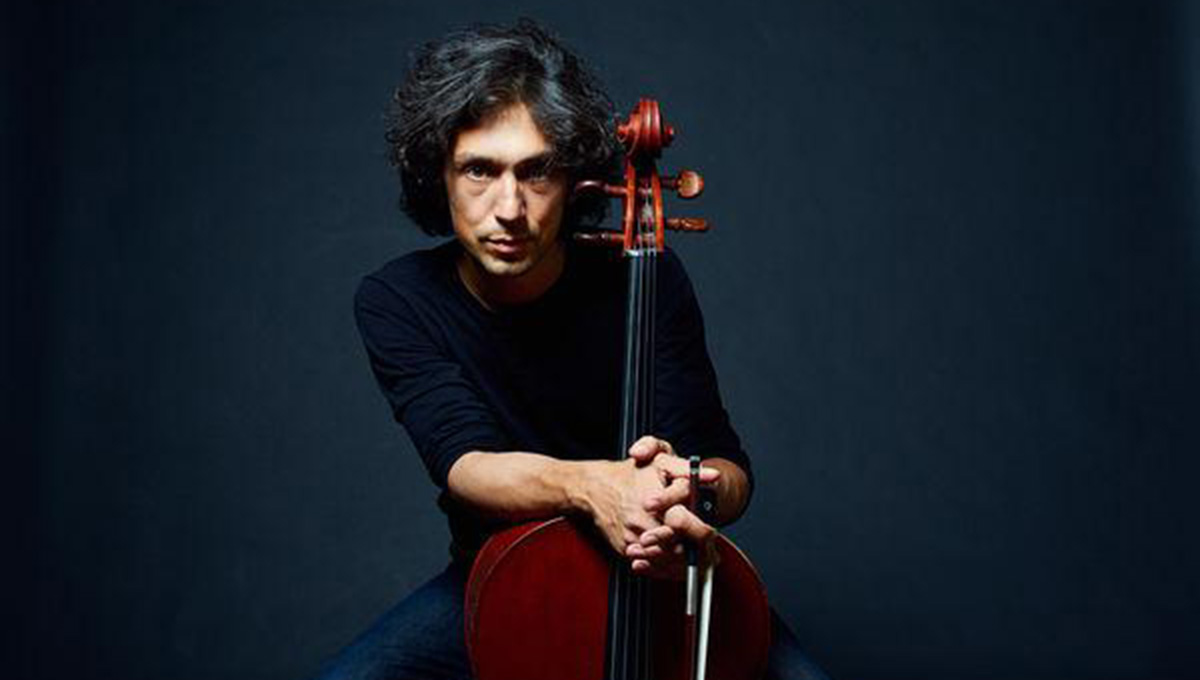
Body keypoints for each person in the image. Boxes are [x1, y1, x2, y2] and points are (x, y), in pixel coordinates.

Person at [316, 18, 829, 680]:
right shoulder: (399, 298)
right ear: (438, 176)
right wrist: (595, 486)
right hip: (505, 577)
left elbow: (729, 473)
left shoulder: (648, 277)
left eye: (537, 172)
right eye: (479, 170)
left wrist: (692, 489)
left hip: (666, 583)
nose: (509, 207)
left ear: (576, 182)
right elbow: (466, 464)